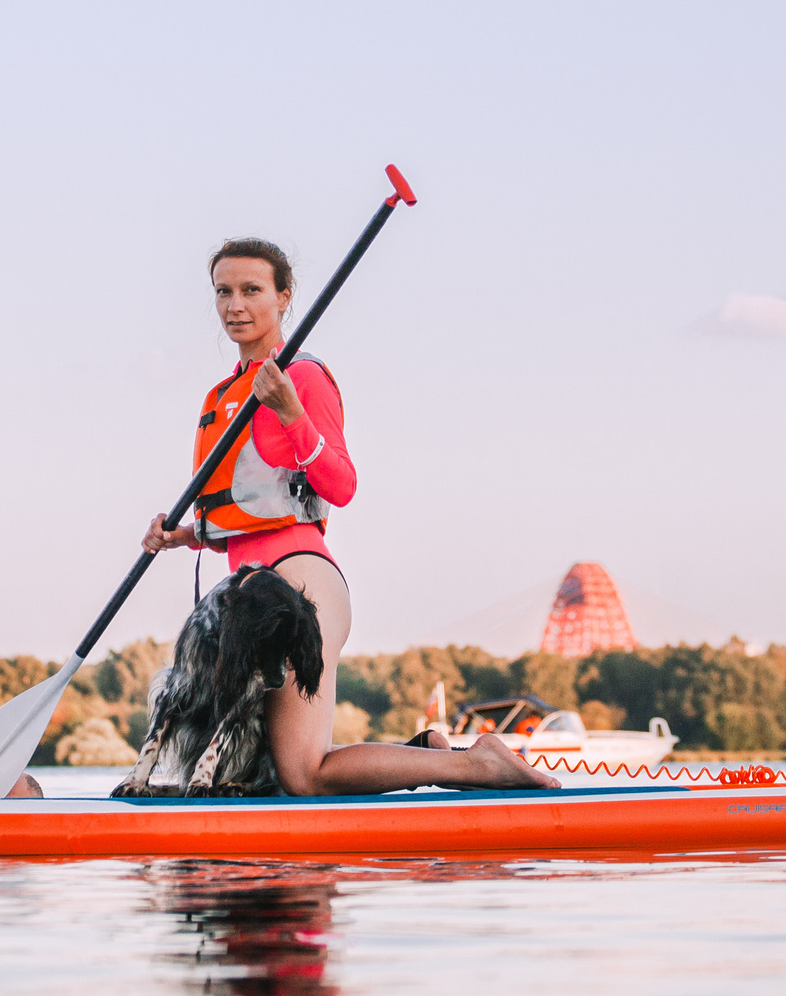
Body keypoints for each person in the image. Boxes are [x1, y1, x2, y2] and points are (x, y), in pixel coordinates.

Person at [143, 237, 556, 796]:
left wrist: (290, 411)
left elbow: (340, 485)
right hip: (247, 591)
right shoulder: (221, 395)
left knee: (303, 775)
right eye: (224, 291)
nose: (235, 305)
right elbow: (253, 510)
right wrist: (185, 536)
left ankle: (475, 765)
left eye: (252, 290)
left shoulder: (304, 378)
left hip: (300, 581)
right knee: (267, 773)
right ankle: (425, 752)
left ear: (284, 297)